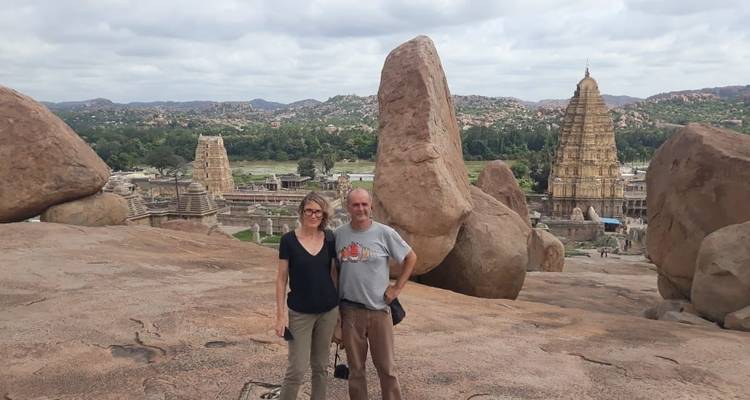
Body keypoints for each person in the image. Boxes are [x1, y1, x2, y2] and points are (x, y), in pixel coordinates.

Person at [335, 188, 417, 400]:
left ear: (371, 206)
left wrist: (396, 288)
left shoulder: (384, 233)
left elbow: (411, 258)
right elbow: (333, 270)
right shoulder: (339, 235)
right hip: (350, 311)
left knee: (387, 369)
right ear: (348, 208)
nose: (360, 209)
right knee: (356, 370)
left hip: (380, 311)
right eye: (355, 205)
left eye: (364, 204)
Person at [275, 192, 339, 400]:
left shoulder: (330, 238)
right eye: (309, 210)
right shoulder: (289, 241)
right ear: (302, 212)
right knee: (297, 369)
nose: (313, 215)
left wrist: (339, 310)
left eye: (318, 211)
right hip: (300, 312)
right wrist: (279, 315)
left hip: (327, 310)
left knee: (321, 367)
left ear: (323, 215)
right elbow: (281, 278)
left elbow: (333, 274)